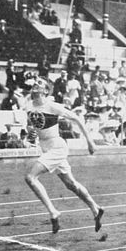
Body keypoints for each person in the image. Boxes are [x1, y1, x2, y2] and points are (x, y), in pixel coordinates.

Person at [23, 78, 104, 234]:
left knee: (30, 177)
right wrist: (31, 133)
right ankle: (96, 209)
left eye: (39, 84)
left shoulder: (52, 106)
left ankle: (53, 212)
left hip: (57, 147)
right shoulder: (29, 106)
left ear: (46, 91)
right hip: (45, 147)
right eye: (35, 83)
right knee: (71, 184)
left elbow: (76, 118)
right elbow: (31, 125)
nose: (35, 85)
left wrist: (90, 142)